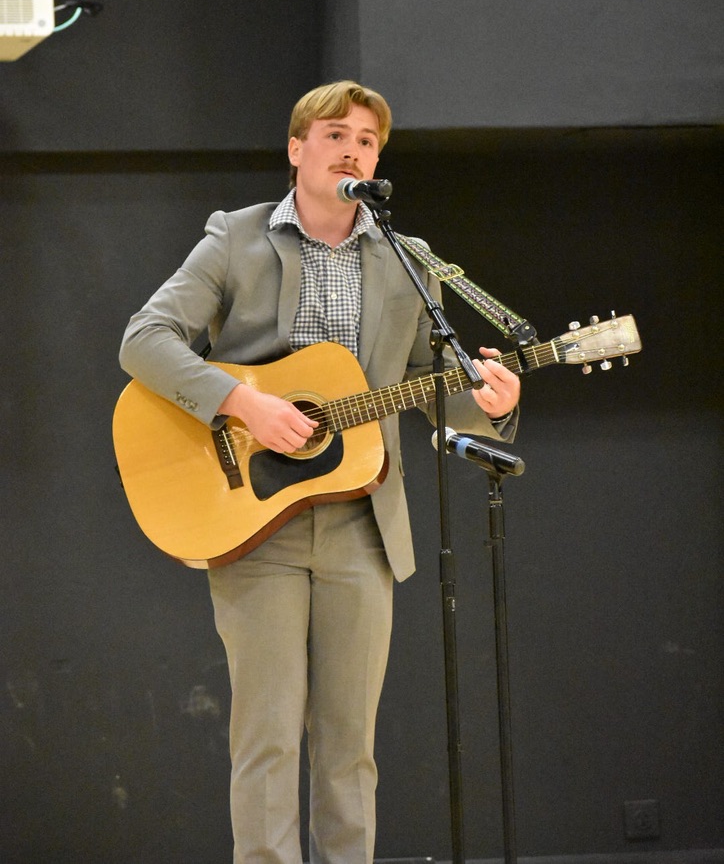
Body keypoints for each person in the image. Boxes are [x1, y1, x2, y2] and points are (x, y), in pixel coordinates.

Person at [119, 80, 521, 864]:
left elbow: (426, 387)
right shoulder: (235, 238)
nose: (352, 150)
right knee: (267, 742)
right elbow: (145, 339)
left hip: (363, 527)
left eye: (367, 141)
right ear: (297, 148)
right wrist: (242, 403)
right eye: (335, 134)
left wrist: (490, 405)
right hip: (256, 523)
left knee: (349, 750)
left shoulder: (408, 261)